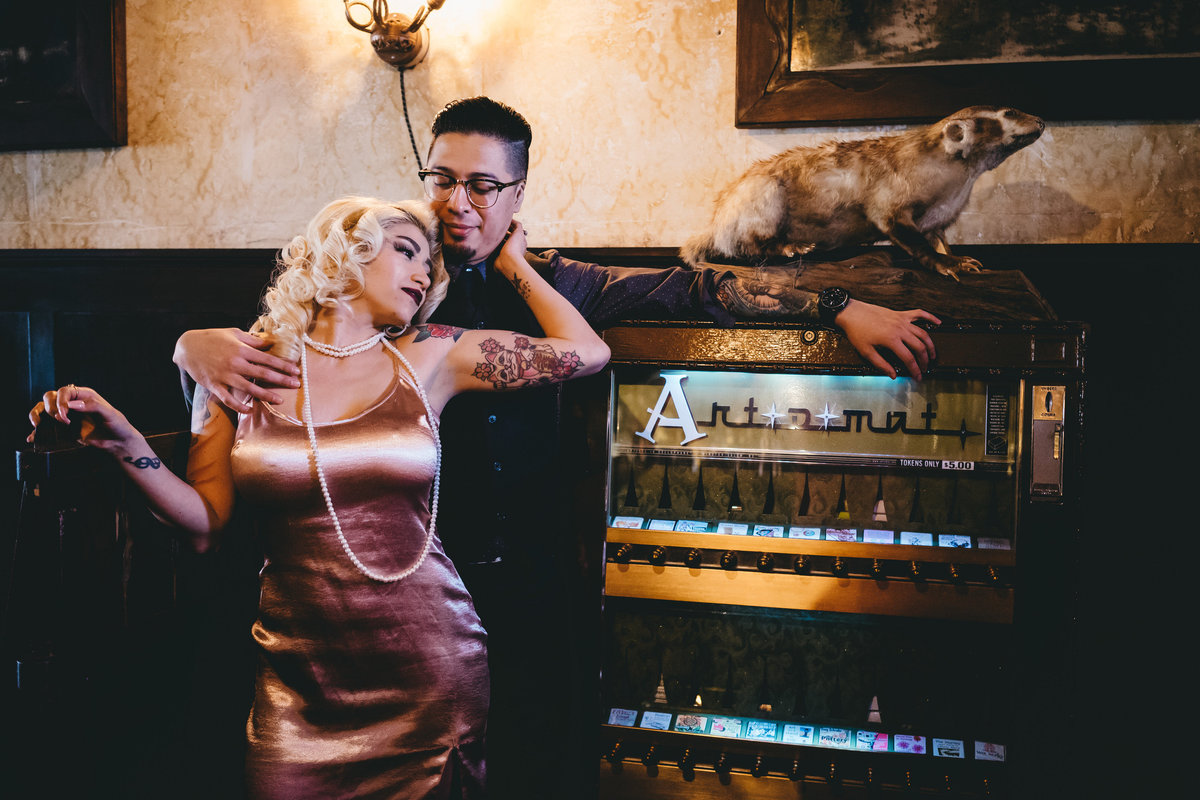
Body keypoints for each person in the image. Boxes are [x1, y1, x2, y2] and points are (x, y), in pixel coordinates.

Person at [172, 97, 942, 798]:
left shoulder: (559, 284)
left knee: (533, 773)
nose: (456, 202)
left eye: (482, 185)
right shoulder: (383, 282)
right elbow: (272, 355)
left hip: (529, 594)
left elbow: (699, 289)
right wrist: (189, 345)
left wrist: (840, 306)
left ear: (517, 196)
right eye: (442, 178)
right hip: (383, 612)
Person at [28, 196, 610, 800]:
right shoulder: (242, 368)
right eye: (406, 251)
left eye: (431, 266)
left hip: (429, 673)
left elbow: (588, 353)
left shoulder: (433, 353)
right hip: (297, 684)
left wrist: (514, 261)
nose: (424, 274)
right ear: (346, 249)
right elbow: (204, 525)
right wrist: (123, 440)